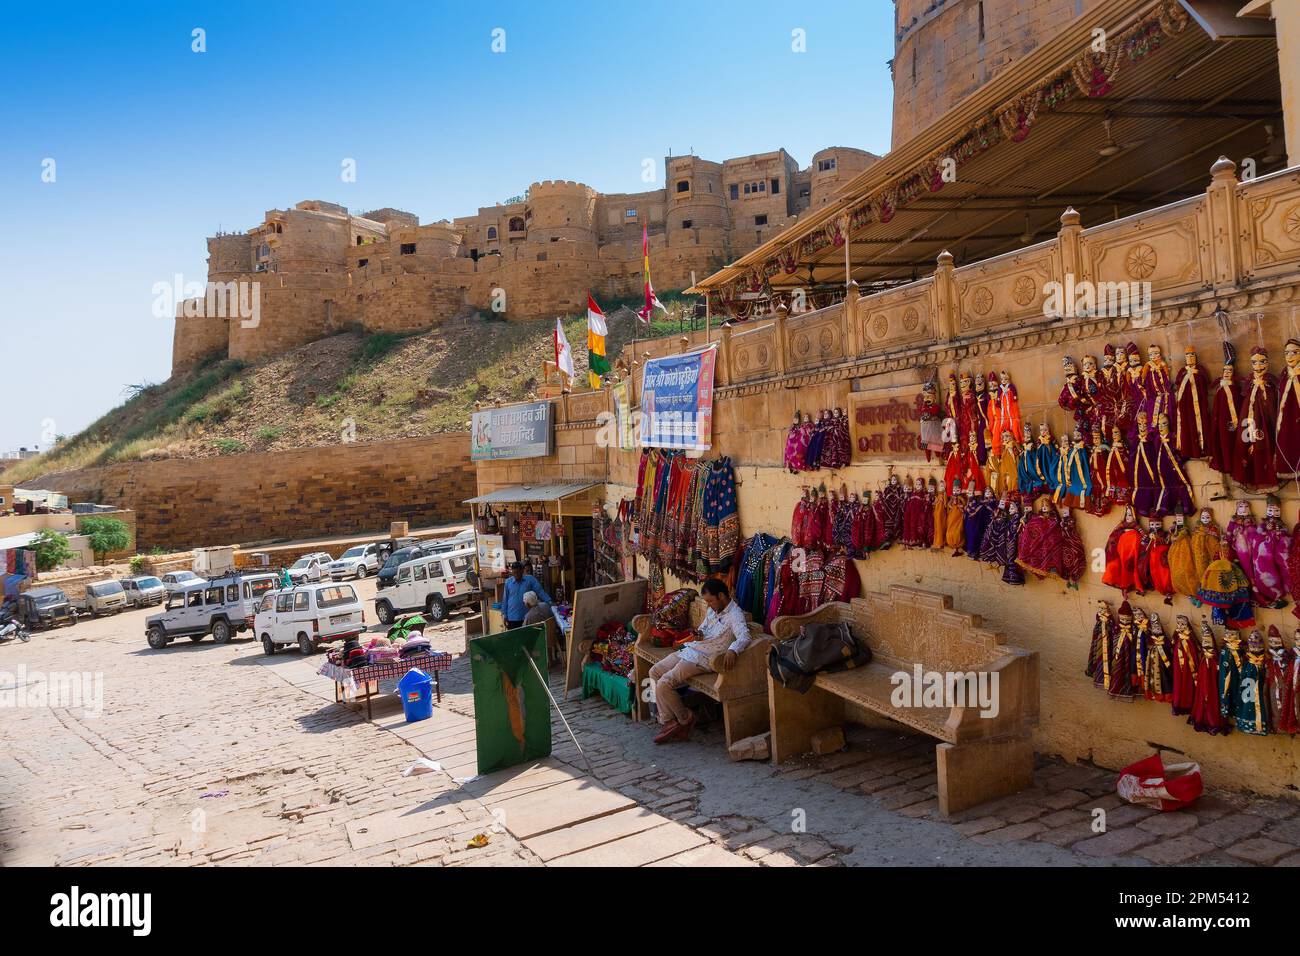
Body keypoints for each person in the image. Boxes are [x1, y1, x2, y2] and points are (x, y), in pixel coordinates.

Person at [648, 579, 751, 744]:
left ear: (722, 596)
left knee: (664, 683)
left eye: (711, 600)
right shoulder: (713, 610)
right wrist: (699, 633)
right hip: (691, 650)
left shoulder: (735, 615)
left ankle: (685, 719)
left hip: (704, 659)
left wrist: (733, 649)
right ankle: (670, 721)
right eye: (707, 602)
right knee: (654, 672)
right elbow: (703, 628)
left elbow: (745, 636)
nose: (709, 605)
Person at [502, 561, 550, 629]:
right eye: (514, 573)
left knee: (527, 638)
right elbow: (505, 599)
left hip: (526, 617)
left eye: (518, 572)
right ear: (512, 571)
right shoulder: (508, 582)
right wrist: (504, 614)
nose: (516, 575)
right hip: (512, 617)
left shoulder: (530, 579)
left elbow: (540, 591)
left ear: (522, 571)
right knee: (514, 638)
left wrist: (549, 601)